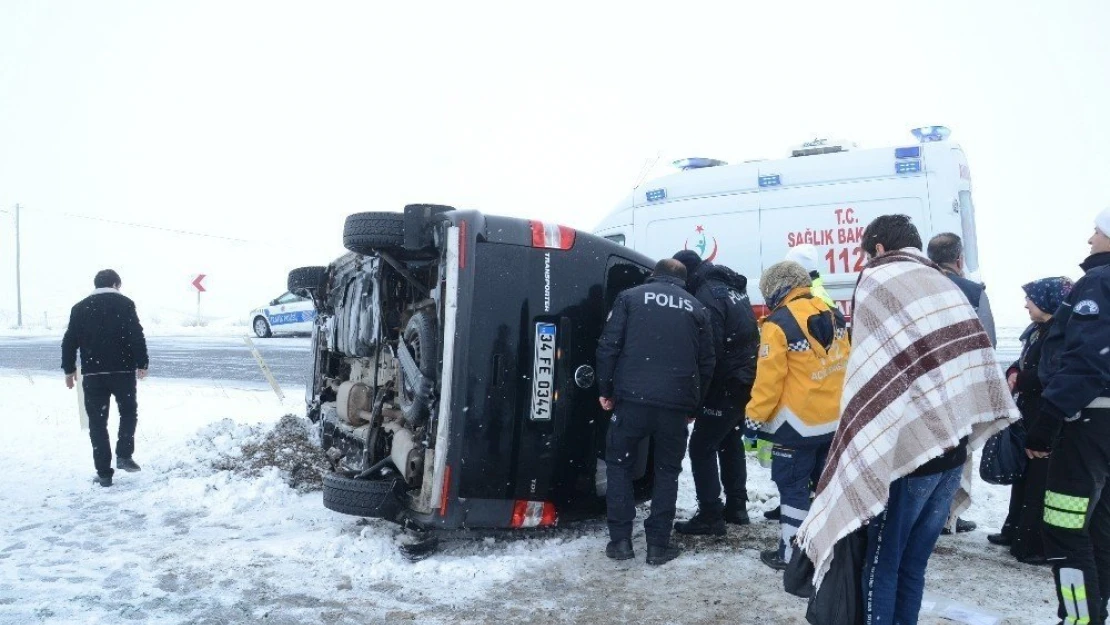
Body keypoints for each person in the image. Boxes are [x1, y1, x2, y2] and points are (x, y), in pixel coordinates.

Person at [796, 215, 1017, 625]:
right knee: (913, 565)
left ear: (879, 248)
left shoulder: (880, 278)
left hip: (907, 456)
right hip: (950, 449)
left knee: (882, 564)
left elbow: (872, 371)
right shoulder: (942, 283)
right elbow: (967, 357)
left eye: (867, 253)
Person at [595, 258, 715, 566]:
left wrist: (605, 389)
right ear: (683, 280)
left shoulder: (630, 298)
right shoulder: (696, 308)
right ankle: (658, 545)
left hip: (632, 401)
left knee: (619, 465)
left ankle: (620, 541)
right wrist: (694, 404)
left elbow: (608, 345)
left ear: (654, 275)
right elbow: (707, 363)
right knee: (667, 471)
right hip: (675, 405)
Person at [1025, 208, 1110, 625]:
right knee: (1099, 530)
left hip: (1087, 425)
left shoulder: (1098, 282)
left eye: (1097, 232)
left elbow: (1087, 361)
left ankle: (1080, 620)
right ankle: (1094, 614)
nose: (1090, 239)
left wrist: (1047, 422)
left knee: (1064, 529)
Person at [745, 260, 849, 570]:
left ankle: (791, 555)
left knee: (792, 490)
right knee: (824, 488)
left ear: (777, 289)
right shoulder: (833, 314)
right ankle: (828, 549)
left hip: (795, 426)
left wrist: (751, 421)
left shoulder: (778, 324)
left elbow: (768, 384)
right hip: (833, 422)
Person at [670, 251, 759, 535]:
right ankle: (736, 506)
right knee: (729, 439)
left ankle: (710, 514)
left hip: (725, 381)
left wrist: (699, 396)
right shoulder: (730, 286)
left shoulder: (707, 294)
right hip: (744, 377)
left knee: (701, 446)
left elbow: (711, 350)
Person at [986, 277, 1072, 564]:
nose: (1025, 304)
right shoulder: (1037, 330)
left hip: (1045, 412)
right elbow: (1025, 361)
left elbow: (1051, 373)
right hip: (1030, 409)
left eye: (1030, 299)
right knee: (1024, 472)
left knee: (1038, 475)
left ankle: (1031, 543)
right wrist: (1013, 370)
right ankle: (1014, 529)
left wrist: (1020, 378)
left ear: (1046, 302)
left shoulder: (1058, 333)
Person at [61, 270, 149, 487]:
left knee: (97, 423)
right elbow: (136, 335)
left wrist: (69, 370)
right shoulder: (125, 304)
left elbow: (69, 341)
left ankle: (103, 473)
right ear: (116, 283)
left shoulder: (79, 308)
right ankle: (124, 455)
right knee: (128, 412)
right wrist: (142, 363)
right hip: (122, 372)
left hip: (93, 374)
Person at [927, 232, 997, 346]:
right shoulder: (975, 292)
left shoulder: (917, 288)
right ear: (959, 260)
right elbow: (989, 341)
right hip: (967, 360)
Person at [784, 243, 835, 308]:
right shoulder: (816, 291)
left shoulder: (808, 295)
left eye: (789, 268)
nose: (786, 273)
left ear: (797, 270)